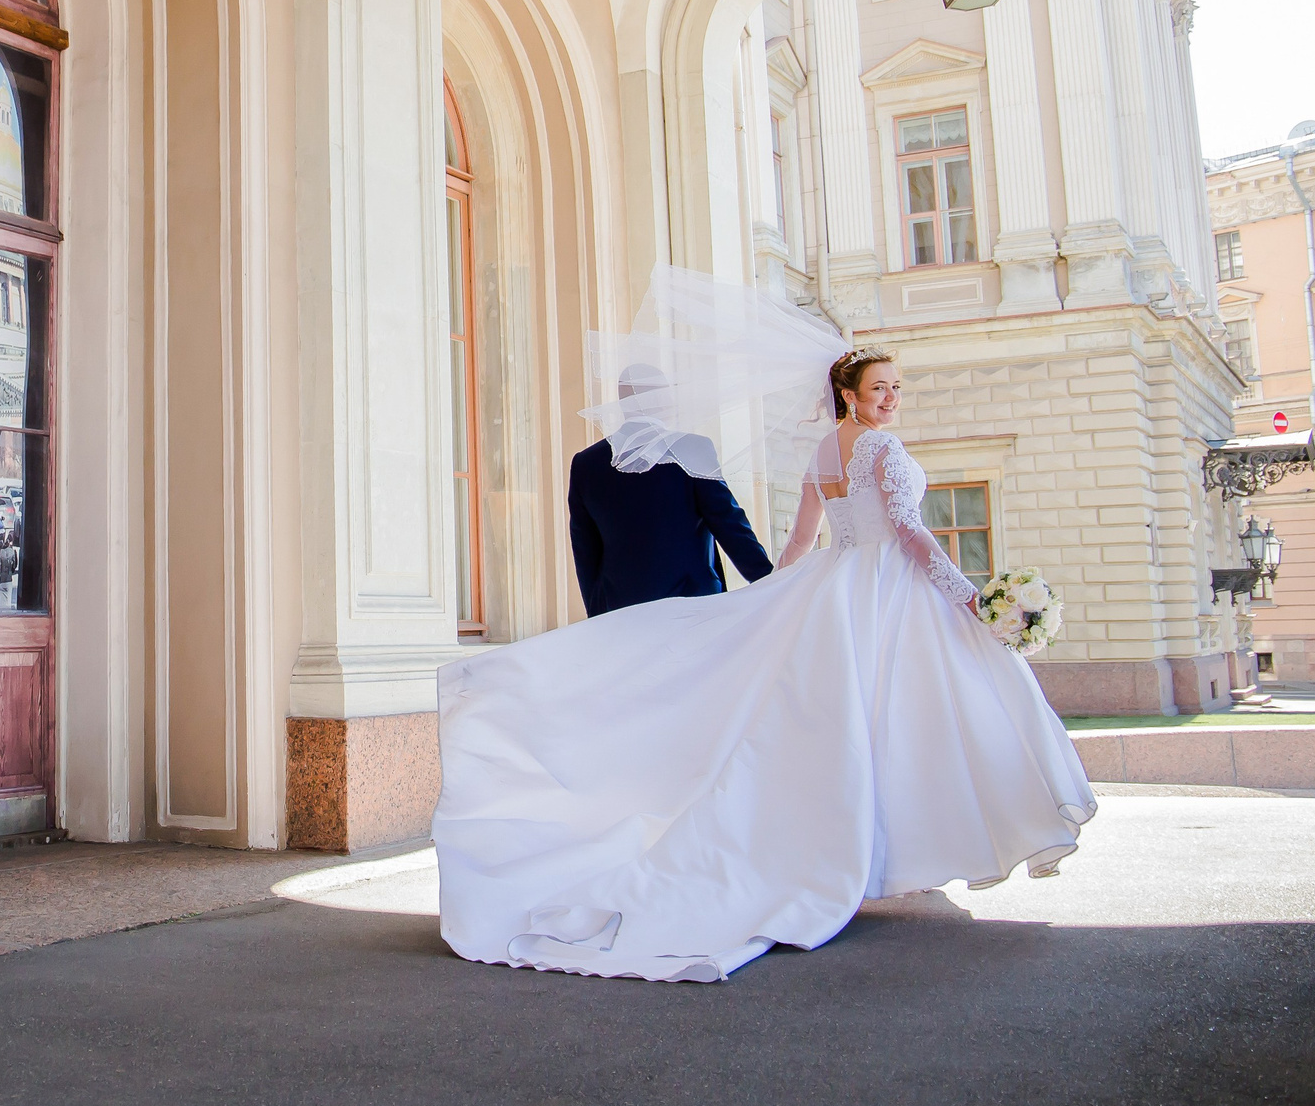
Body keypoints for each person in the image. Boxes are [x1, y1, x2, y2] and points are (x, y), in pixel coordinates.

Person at [434, 337, 1096, 983]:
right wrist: (966, 595)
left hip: (658, 609)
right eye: (881, 387)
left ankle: (679, 820)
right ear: (850, 393)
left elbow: (776, 542)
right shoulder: (754, 448)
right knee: (886, 714)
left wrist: (757, 603)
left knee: (778, 722)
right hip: (820, 596)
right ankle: (888, 846)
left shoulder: (595, 462)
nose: (892, 398)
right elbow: (880, 530)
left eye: (896, 387)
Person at [567, 364, 774, 615]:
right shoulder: (692, 448)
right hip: (692, 605)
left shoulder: (586, 463)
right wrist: (770, 582)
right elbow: (729, 524)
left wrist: (597, 613)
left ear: (622, 402)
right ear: (661, 399)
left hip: (618, 610)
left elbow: (585, 550)